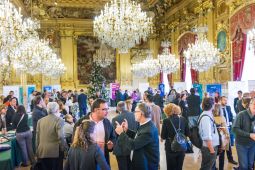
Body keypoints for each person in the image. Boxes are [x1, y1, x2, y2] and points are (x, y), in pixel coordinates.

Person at [115, 102, 159, 170]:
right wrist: (127, 130)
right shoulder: (145, 124)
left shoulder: (148, 130)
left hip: (146, 165)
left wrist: (121, 133)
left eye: (135, 111)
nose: (133, 113)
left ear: (141, 113)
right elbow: (138, 137)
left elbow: (133, 145)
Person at [73, 98, 116, 165]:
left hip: (103, 159)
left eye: (107, 109)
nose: (107, 112)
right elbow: (75, 143)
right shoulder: (81, 122)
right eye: (104, 109)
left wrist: (111, 145)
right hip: (86, 161)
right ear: (95, 110)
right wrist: (92, 146)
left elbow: (113, 137)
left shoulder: (107, 122)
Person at [36, 102, 67, 170]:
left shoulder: (40, 121)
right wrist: (64, 149)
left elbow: (37, 137)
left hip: (42, 151)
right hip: (55, 152)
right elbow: (61, 137)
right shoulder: (59, 120)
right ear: (57, 110)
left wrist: (37, 150)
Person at [161, 103, 189, 170]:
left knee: (171, 167)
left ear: (167, 111)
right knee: (179, 166)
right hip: (181, 146)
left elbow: (163, 136)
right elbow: (188, 133)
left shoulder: (166, 121)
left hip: (170, 146)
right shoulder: (183, 119)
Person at [112, 101, 138, 170]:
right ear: (126, 107)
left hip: (121, 147)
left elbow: (115, 135)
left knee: (123, 167)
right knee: (131, 166)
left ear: (117, 108)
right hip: (134, 145)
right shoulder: (134, 116)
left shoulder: (115, 119)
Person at [232, 98, 255, 170]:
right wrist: (249, 135)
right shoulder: (241, 114)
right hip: (241, 144)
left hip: (252, 144)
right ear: (250, 105)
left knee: (250, 165)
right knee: (244, 166)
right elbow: (234, 129)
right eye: (254, 104)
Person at [199, 97, 219, 170]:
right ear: (212, 105)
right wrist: (212, 151)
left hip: (211, 146)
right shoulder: (206, 117)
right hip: (209, 147)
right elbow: (207, 136)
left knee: (209, 167)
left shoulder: (208, 114)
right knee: (206, 167)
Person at [219, 96, 238, 165]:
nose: (226, 102)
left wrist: (230, 122)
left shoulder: (228, 107)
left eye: (226, 100)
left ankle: (230, 159)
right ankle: (221, 163)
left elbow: (230, 116)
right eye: (224, 100)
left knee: (229, 145)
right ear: (221, 100)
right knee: (223, 146)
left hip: (228, 128)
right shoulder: (218, 108)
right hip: (221, 129)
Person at [213, 103, 230, 170]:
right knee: (222, 157)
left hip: (213, 139)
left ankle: (213, 168)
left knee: (213, 156)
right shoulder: (222, 118)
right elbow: (225, 130)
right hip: (221, 139)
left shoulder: (211, 117)